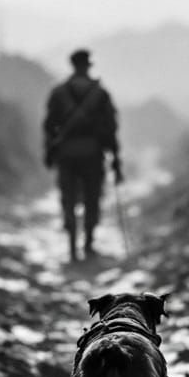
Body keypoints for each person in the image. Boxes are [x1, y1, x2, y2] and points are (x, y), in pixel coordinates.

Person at [43, 49, 123, 261]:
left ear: (72, 65)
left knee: (68, 197)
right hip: (92, 153)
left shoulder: (59, 93)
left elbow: (49, 126)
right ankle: (88, 243)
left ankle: (71, 240)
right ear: (88, 65)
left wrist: (49, 151)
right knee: (92, 197)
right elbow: (111, 128)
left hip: (66, 153)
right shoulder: (100, 94)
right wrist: (116, 160)